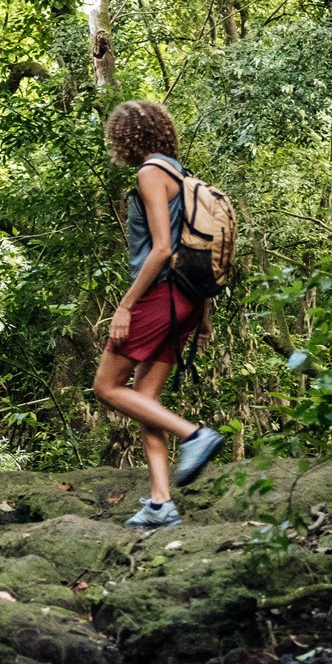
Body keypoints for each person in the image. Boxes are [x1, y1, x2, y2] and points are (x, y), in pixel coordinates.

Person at [92, 100, 224, 528]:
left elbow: (165, 250)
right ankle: (160, 502)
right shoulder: (184, 178)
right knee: (145, 400)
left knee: (107, 387)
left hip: (159, 297)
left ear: (126, 137)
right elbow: (194, 252)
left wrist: (125, 306)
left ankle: (196, 436)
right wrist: (200, 316)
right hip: (185, 301)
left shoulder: (151, 173)